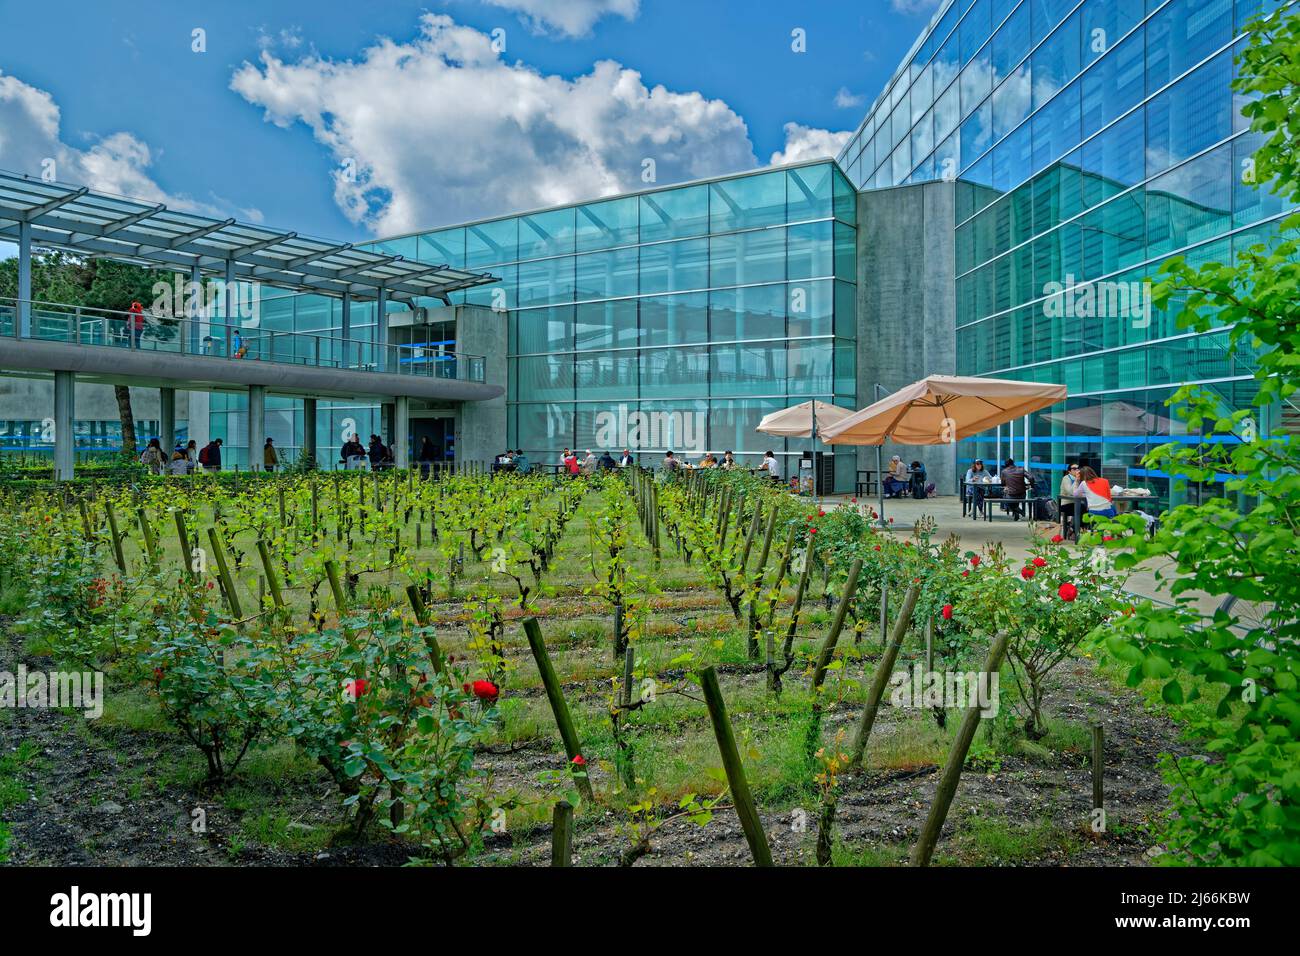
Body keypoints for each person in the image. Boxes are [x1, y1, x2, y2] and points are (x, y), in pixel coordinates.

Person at [1059, 463, 1081, 538]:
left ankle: (1073, 529)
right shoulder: (1066, 478)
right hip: (1067, 504)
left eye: (1078, 468)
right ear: (1069, 471)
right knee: (1082, 510)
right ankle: (1074, 529)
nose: (1077, 470)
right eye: (1074, 469)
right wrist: (1076, 481)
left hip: (1076, 503)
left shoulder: (1080, 478)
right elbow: (1071, 492)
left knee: (1088, 510)